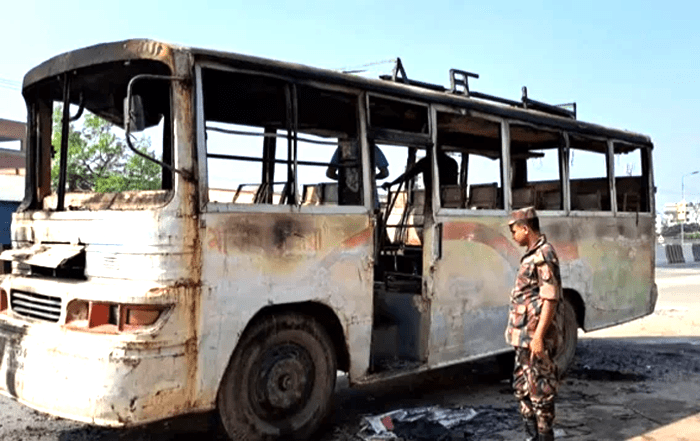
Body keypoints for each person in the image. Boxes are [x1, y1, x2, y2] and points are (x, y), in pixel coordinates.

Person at [506, 207, 563, 441]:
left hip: (535, 337)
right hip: (523, 337)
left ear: (525, 228)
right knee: (522, 387)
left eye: (514, 231)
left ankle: (544, 436)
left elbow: (550, 297)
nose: (513, 236)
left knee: (541, 392)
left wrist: (539, 336)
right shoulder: (532, 253)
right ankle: (531, 436)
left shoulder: (543, 254)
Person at [326, 142, 389, 208]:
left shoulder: (342, 149)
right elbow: (385, 173)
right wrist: (369, 178)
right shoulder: (373, 148)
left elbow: (330, 173)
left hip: (346, 198)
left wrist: (345, 179)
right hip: (369, 198)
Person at [381, 150, 458, 192]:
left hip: (432, 198)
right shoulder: (452, 162)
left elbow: (408, 175)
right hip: (451, 199)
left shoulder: (427, 161)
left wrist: (391, 184)